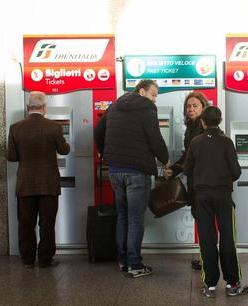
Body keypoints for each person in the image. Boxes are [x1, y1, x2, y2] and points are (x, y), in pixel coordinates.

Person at [94, 79, 169, 278]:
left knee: (123, 216)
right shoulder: (147, 109)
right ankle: (135, 264)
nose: (154, 99)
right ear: (142, 91)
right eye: (153, 94)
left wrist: (105, 153)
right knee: (135, 219)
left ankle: (124, 261)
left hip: (115, 170)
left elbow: (98, 131)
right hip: (137, 170)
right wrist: (165, 159)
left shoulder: (115, 106)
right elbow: (155, 139)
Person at [183, 106, 248, 298]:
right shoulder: (227, 142)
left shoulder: (196, 142)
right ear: (219, 121)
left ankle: (210, 285)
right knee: (228, 238)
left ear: (203, 122)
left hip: (202, 197)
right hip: (223, 196)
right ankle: (232, 284)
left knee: (207, 239)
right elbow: (236, 172)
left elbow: (187, 169)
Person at [7, 91, 70, 268]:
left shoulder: (15, 127)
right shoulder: (54, 127)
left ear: (28, 108)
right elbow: (64, 150)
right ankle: (45, 259)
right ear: (44, 107)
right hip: (49, 183)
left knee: (26, 223)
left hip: (25, 183)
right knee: (47, 223)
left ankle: (27, 260)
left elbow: (11, 156)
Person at [163, 91, 208, 271]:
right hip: (195, 181)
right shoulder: (191, 127)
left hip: (202, 182)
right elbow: (187, 156)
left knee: (204, 220)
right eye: (188, 106)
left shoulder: (203, 128)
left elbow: (192, 158)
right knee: (201, 219)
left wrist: (175, 169)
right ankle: (204, 256)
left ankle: (207, 258)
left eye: (194, 106)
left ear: (203, 108)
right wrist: (174, 169)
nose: (190, 109)